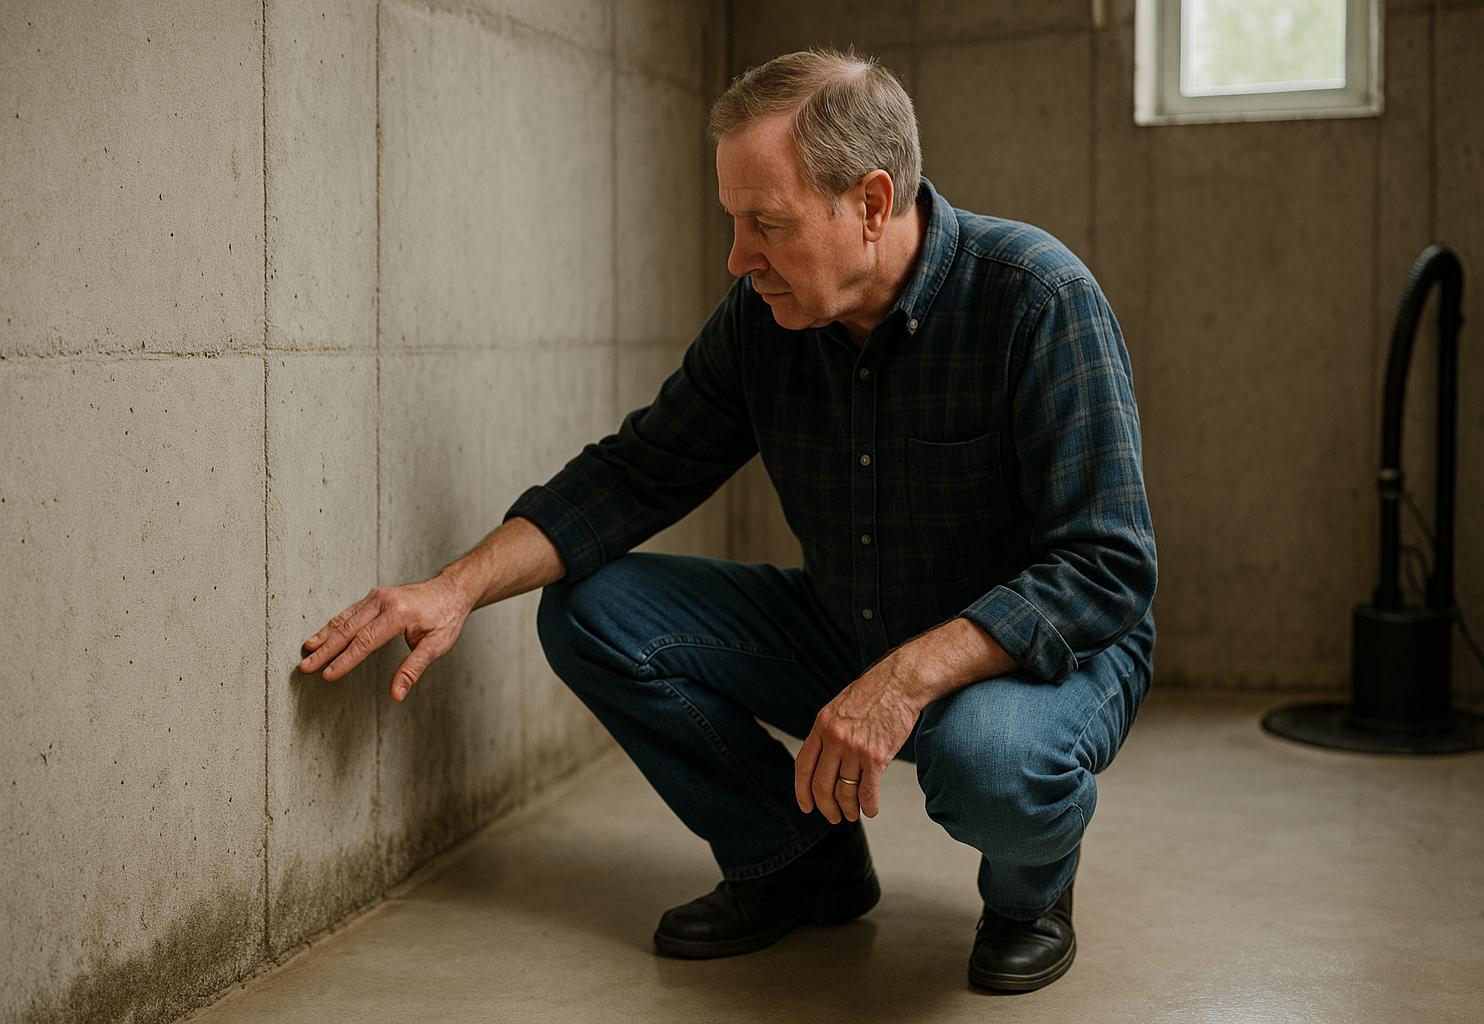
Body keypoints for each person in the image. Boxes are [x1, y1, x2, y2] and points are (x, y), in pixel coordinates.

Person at [299, 49, 1155, 993]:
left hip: (1044, 661)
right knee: (593, 610)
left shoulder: (1037, 299)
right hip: (852, 625)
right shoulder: (764, 318)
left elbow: (1104, 569)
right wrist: (452, 589)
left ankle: (1031, 894)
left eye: (767, 225)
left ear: (870, 204)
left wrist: (908, 678)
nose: (738, 258)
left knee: (988, 757)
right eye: (732, 221)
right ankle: (797, 862)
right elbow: (634, 474)